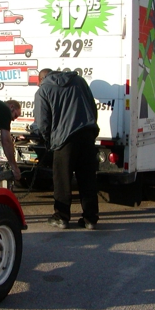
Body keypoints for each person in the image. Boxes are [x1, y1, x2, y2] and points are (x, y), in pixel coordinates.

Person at [34, 69, 100, 230]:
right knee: (88, 179)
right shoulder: (79, 81)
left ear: (41, 79)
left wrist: (48, 140)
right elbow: (92, 107)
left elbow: (42, 121)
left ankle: (61, 217)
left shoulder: (43, 90)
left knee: (62, 180)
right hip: (87, 134)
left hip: (64, 141)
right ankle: (90, 219)